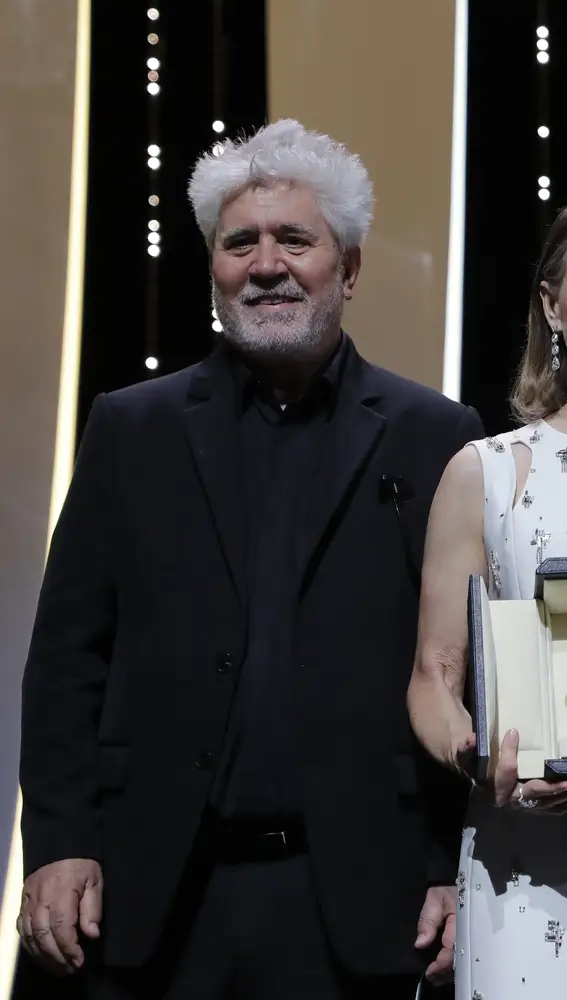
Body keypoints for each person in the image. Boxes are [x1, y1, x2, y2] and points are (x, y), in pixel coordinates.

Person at [17, 119, 483, 1000]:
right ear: (214, 270)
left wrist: (453, 865)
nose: (265, 264)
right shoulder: (131, 428)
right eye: (241, 243)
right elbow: (67, 657)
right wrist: (61, 840)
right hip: (151, 897)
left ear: (347, 268)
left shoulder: (437, 438)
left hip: (358, 905)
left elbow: (462, 674)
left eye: (293, 240)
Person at [408, 206, 567, 1000]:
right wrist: (475, 750)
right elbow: (434, 674)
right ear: (552, 304)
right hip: (527, 864)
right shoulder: (486, 473)